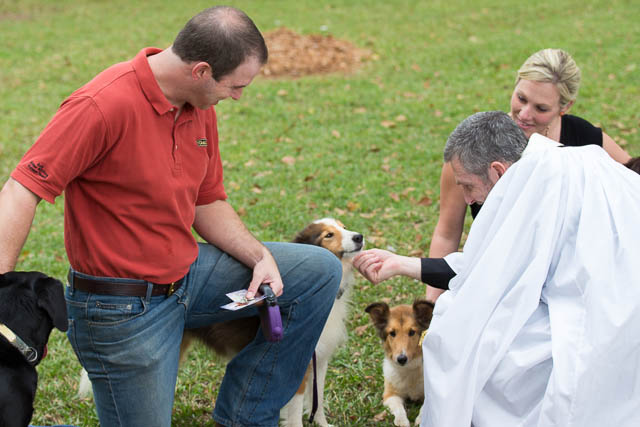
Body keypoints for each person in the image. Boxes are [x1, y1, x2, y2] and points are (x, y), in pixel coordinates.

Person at [0, 6, 342, 427]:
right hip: (120, 307)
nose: (237, 97)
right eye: (236, 86)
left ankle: (245, 417)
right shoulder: (102, 104)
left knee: (318, 271)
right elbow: (22, 189)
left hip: (189, 276)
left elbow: (207, 201)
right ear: (201, 70)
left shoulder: (198, 106)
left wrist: (258, 256)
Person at [355, 111, 640, 426]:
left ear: (498, 171)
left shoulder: (534, 183)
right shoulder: (572, 160)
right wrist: (401, 264)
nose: (467, 198)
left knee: (457, 326)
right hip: (619, 313)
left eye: (467, 186)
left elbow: (486, 282)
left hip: (606, 328)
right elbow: (487, 265)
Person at [427, 48, 631, 302]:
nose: (524, 114)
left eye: (541, 108)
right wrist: (431, 307)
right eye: (521, 98)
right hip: (503, 279)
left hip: (575, 284)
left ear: (565, 106)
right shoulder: (475, 146)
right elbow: (447, 233)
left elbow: (632, 188)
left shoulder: (587, 142)